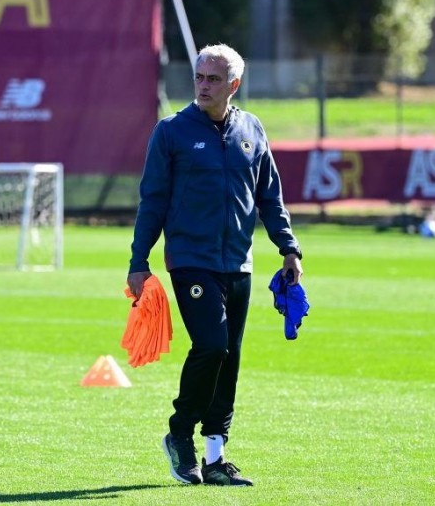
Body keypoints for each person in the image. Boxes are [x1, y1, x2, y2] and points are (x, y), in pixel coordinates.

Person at [127, 44, 304, 487]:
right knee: (212, 346)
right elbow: (153, 202)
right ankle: (178, 434)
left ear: (233, 85)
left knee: (231, 358)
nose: (203, 85)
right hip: (190, 260)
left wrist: (289, 249)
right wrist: (138, 261)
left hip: (238, 262)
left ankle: (215, 457)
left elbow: (269, 196)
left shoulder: (252, 129)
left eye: (213, 79)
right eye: (199, 77)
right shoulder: (171, 132)